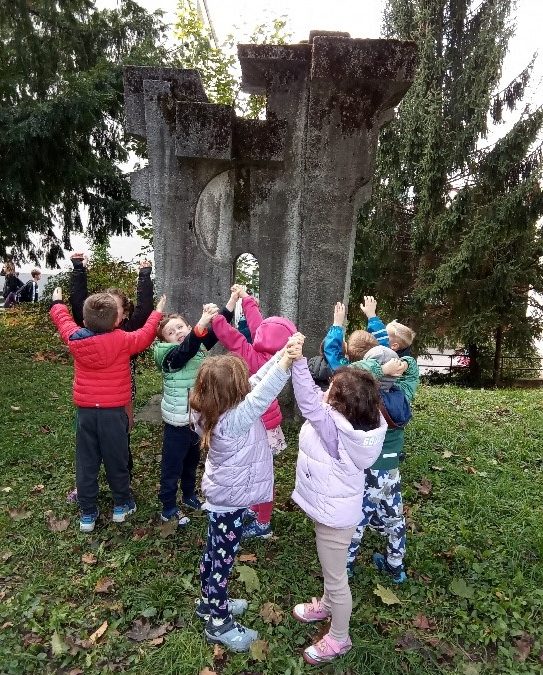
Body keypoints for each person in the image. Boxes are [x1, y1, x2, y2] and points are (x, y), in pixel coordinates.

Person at [190, 342, 298, 652]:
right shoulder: (234, 420)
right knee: (222, 561)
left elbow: (256, 381)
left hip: (221, 496)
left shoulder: (208, 406)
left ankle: (207, 603)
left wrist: (282, 354)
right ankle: (219, 623)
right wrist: (286, 364)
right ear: (233, 392)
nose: (247, 383)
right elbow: (263, 393)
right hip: (231, 503)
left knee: (213, 552)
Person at [289, 335, 387, 665]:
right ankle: (327, 607)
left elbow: (307, 401)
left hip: (334, 519)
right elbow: (317, 401)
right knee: (333, 571)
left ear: (340, 404)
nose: (325, 390)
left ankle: (339, 638)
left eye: (330, 388)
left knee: (336, 578)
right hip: (333, 509)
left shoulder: (333, 427)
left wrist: (299, 361)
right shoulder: (358, 425)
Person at [50, 287, 165, 532]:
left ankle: (88, 514)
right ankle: (122, 504)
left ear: (84, 320)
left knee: (86, 461)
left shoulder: (75, 338)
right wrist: (157, 313)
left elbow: (63, 321)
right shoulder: (123, 340)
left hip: (86, 414)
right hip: (114, 413)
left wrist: (57, 303)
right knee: (117, 459)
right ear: (117, 320)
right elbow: (145, 335)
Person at [210, 284, 296, 540]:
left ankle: (263, 522)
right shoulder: (278, 355)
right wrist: (247, 300)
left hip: (253, 428)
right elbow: (259, 327)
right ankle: (254, 509)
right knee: (261, 472)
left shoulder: (248, 354)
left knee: (259, 475)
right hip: (271, 424)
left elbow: (229, 335)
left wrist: (216, 316)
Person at [66, 254, 154, 502]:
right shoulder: (86, 333)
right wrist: (79, 270)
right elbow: (77, 305)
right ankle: (84, 486)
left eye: (114, 307)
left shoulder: (127, 332)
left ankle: (122, 483)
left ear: (124, 314)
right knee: (88, 445)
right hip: (90, 399)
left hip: (121, 395)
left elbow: (146, 311)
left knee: (119, 441)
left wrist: (144, 276)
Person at [345, 296, 419, 583]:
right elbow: (384, 351)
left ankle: (346, 565)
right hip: (391, 463)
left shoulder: (370, 396)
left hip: (371, 463)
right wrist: (373, 318)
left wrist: (379, 369)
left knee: (358, 517)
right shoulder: (406, 387)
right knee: (393, 515)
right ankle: (395, 565)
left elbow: (353, 372)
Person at [153, 289, 238, 526]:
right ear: (164, 340)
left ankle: (189, 495)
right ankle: (168, 506)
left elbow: (215, 333)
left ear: (189, 328)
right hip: (177, 422)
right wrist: (201, 323)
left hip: (197, 420)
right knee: (172, 465)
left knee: (192, 461)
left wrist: (230, 303)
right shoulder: (168, 356)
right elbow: (185, 352)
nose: (177, 333)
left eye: (180, 327)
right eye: (170, 332)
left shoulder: (197, 344)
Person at [323, 302, 380, 370]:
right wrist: (372, 316)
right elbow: (382, 339)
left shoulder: (345, 370)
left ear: (347, 350)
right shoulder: (380, 366)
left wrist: (337, 324)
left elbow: (331, 348)